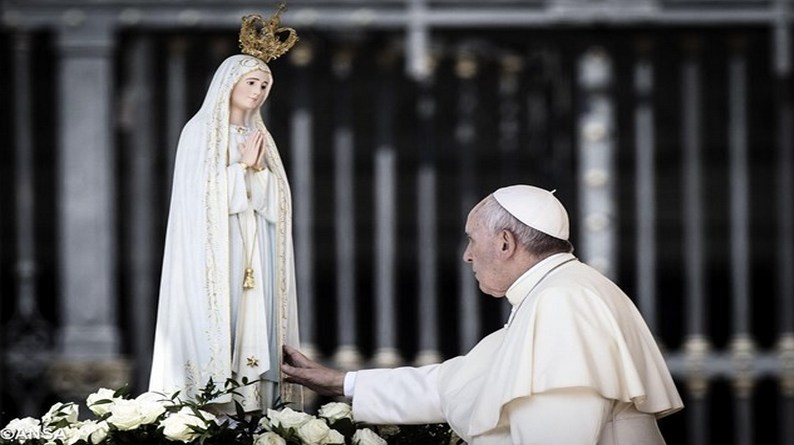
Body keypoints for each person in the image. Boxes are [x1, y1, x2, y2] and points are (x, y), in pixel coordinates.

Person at [282, 185, 683, 444]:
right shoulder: (563, 289)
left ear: (506, 242)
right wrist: (341, 383)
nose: (467, 255)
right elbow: (454, 383)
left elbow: (559, 433)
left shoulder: (561, 302)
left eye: (473, 240)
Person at [149, 6, 302, 413]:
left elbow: (278, 203)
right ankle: (212, 407)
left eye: (265, 85)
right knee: (222, 321)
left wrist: (257, 175)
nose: (258, 91)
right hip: (217, 252)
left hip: (255, 246)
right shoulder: (200, 132)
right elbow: (196, 198)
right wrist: (241, 172)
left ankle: (255, 405)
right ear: (228, 83)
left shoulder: (261, 137)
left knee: (255, 319)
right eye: (251, 81)